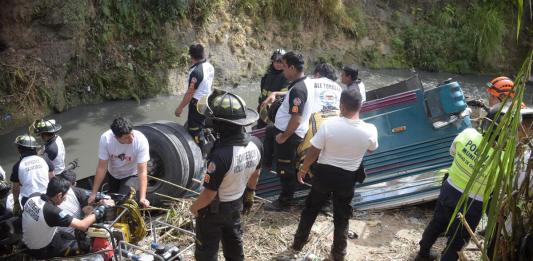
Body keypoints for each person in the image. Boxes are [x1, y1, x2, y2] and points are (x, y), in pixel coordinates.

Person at [291, 88, 378, 261]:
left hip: (324, 175)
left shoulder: (329, 125)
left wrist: (302, 169)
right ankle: (339, 254)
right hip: (347, 178)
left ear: (341, 106)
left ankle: (298, 244)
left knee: (311, 209)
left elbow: (314, 152)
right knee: (342, 216)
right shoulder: (370, 130)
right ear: (360, 106)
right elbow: (371, 149)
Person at [414, 105, 504, 261]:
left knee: (437, 223)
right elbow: (497, 184)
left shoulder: (468, 134)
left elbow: (453, 152)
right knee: (458, 240)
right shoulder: (504, 159)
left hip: (450, 189)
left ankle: (422, 253)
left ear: (486, 122)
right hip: (473, 203)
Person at [190, 89, 263, 261]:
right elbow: (255, 174)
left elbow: (209, 194)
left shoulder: (221, 156)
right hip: (236, 204)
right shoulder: (257, 144)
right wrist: (249, 195)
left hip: (214, 210)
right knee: (234, 243)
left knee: (206, 252)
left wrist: (194, 208)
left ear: (220, 125)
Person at [262, 52, 312, 210]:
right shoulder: (305, 82)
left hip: (290, 135)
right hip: (283, 130)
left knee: (286, 170)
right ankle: (267, 163)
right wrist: (276, 93)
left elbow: (296, 118)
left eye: (284, 67)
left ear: (292, 67)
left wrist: (284, 136)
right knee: (269, 131)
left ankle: (284, 202)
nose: (283, 71)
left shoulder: (298, 90)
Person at [22, 176, 108, 259]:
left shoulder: (34, 196)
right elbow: (83, 225)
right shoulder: (52, 211)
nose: (65, 199)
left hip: (28, 242)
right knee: (82, 245)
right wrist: (101, 209)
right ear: (59, 195)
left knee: (66, 236)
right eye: (65, 196)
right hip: (42, 250)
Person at [88, 117, 151, 207]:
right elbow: (102, 168)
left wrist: (143, 198)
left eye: (131, 134)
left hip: (131, 174)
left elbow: (142, 171)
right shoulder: (106, 139)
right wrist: (93, 193)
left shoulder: (140, 140)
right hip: (112, 173)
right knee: (109, 200)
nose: (131, 138)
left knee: (122, 202)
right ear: (116, 137)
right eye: (126, 138)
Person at [175, 43, 215, 143]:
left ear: (191, 56)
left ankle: (200, 150)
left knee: (194, 131)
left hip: (197, 104)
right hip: (206, 101)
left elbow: (190, 93)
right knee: (201, 124)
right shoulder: (209, 66)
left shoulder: (196, 72)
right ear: (203, 54)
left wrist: (180, 108)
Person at [10, 134, 54, 211]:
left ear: (19, 149)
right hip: (47, 197)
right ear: (35, 147)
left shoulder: (17, 166)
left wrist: (16, 203)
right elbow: (52, 178)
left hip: (28, 201)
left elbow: (16, 188)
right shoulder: (44, 159)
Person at [257, 49, 289, 128]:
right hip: (263, 108)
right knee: (259, 128)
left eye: (281, 62)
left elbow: (287, 94)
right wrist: (260, 105)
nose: (278, 64)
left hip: (275, 112)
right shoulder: (268, 74)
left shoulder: (286, 76)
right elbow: (262, 91)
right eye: (276, 61)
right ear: (272, 61)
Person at [57, 169, 91, 235]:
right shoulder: (79, 192)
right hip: (74, 234)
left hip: (54, 234)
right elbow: (88, 212)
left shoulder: (51, 191)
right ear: (75, 184)